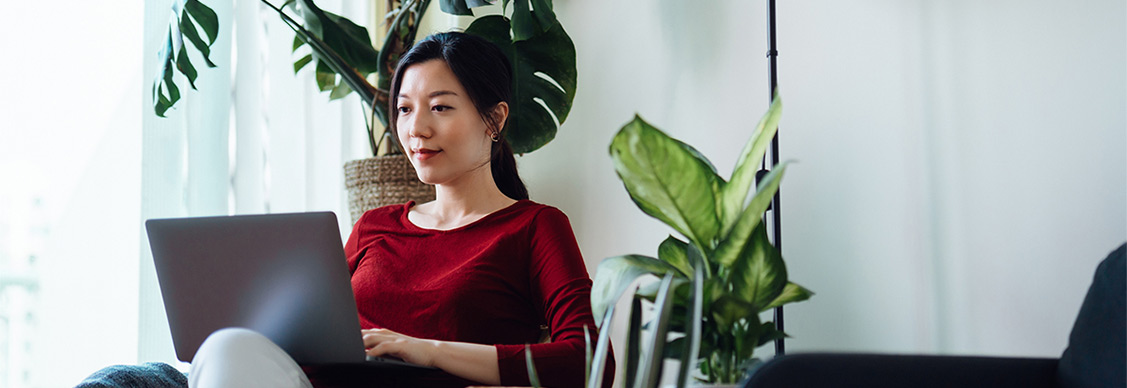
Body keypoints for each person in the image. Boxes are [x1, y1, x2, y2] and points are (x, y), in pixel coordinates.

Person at [186, 32, 612, 388]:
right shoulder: (376, 225)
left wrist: (425, 350)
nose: (415, 129)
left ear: (494, 120)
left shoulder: (534, 226)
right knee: (217, 349)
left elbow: (590, 358)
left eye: (440, 107)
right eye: (405, 109)